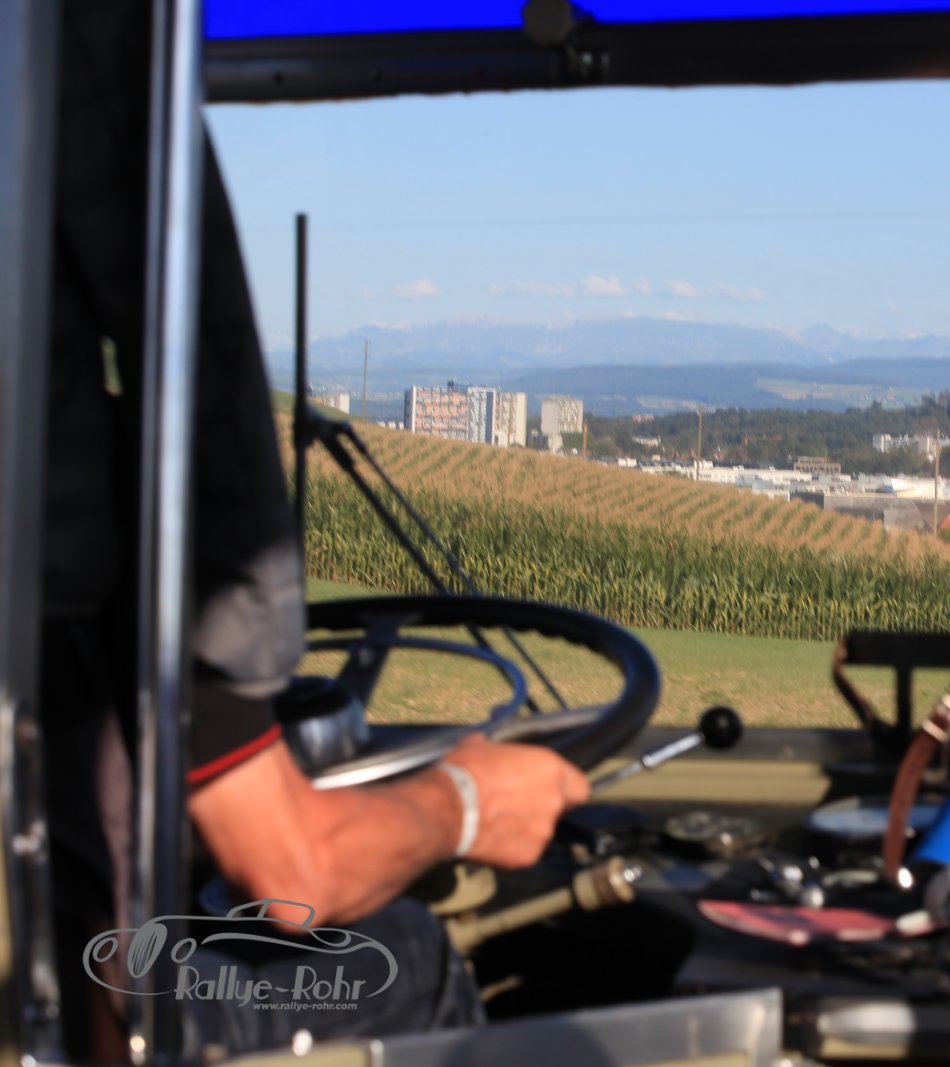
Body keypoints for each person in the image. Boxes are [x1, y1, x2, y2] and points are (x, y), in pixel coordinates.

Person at [42, 1, 588, 1059]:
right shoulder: (94, 539)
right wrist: (467, 802)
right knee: (411, 953)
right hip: (87, 995)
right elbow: (295, 871)